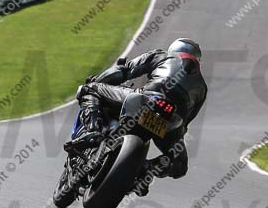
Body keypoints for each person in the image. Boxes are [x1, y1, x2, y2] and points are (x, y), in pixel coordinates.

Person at [67, 38, 207, 180]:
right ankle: (147, 171)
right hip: (171, 121)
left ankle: (92, 131)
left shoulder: (163, 55)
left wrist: (98, 80)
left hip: (145, 100)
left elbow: (125, 70)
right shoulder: (202, 88)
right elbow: (185, 124)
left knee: (90, 89)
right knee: (180, 165)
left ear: (175, 48)